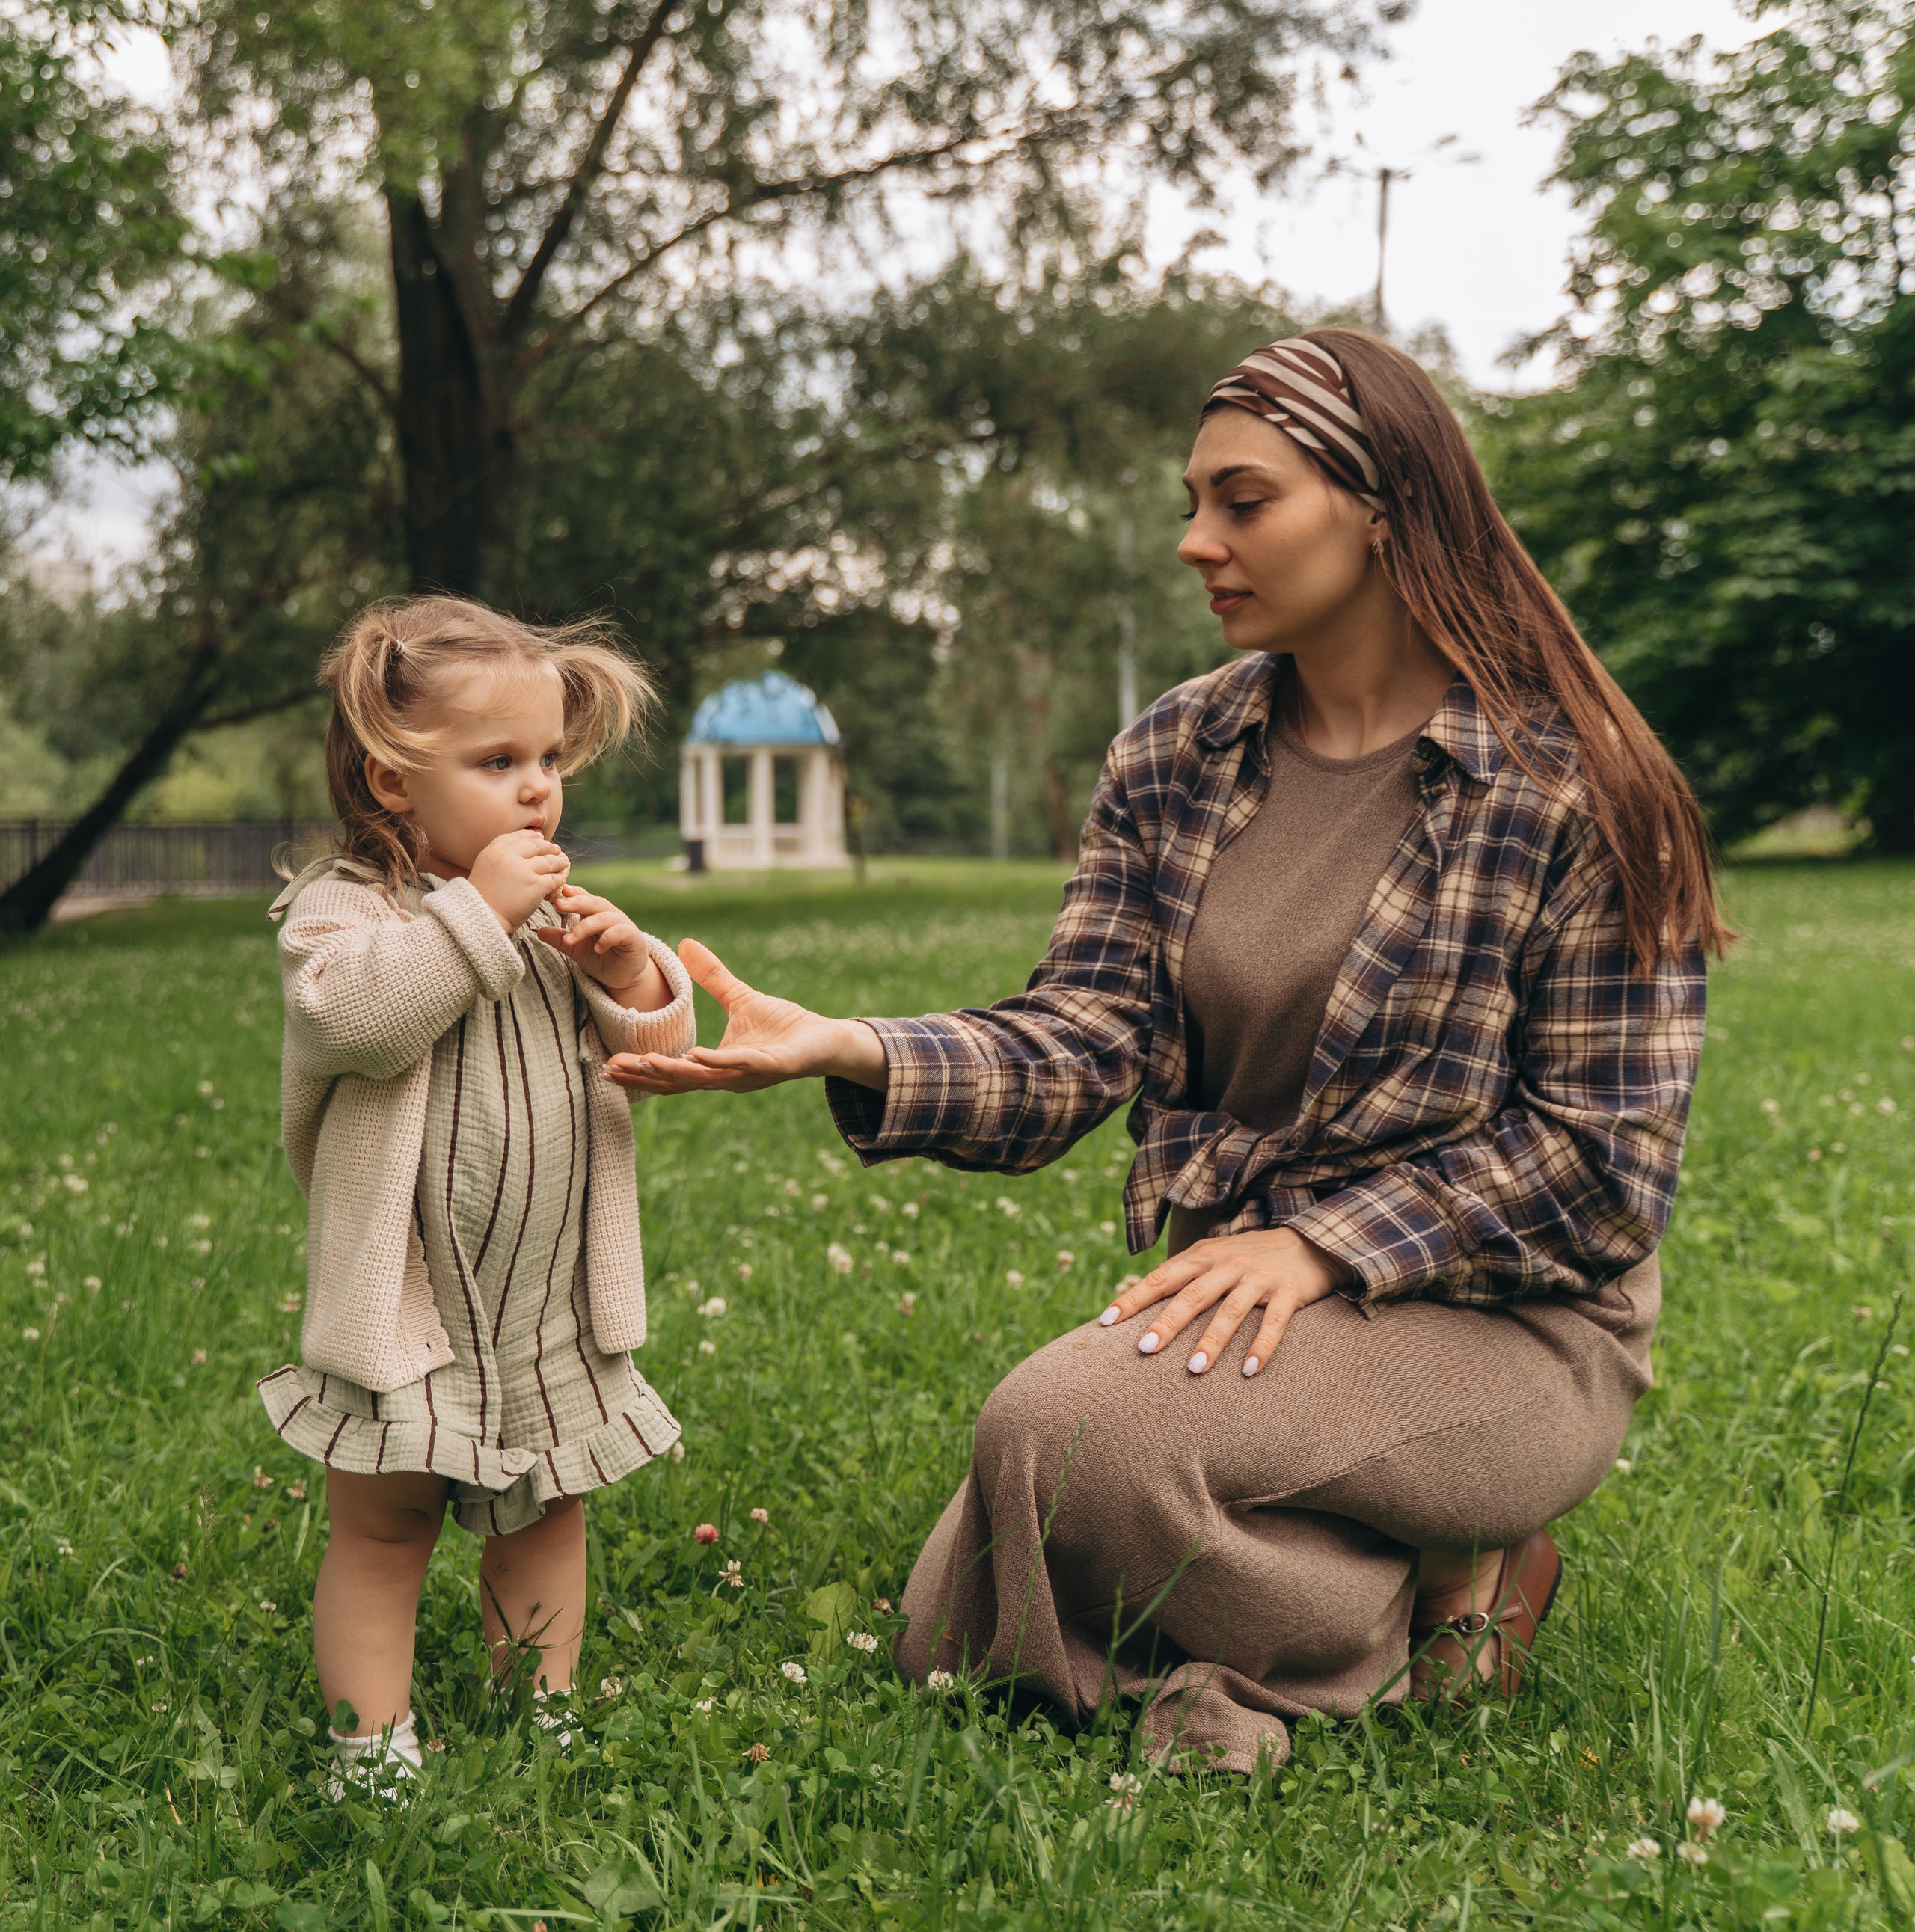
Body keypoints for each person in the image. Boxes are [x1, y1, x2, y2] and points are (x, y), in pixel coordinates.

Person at [615, 330, 1726, 1773]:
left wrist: (1323, 1245)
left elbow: (1601, 1166)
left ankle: (1439, 1573)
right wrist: (853, 1047)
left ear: (1383, 508)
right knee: (965, 1596)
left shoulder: (1579, 785)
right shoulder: (1176, 754)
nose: (1198, 540)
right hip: (1239, 1290)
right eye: (1193, 502)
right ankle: (1437, 1577)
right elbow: (1088, 1036)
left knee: (1056, 1448)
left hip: (1510, 1316)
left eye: (1242, 500)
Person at [259, 596, 693, 1794]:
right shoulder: (343, 914)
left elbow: (652, 1055)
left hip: (546, 1302)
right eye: (498, 762)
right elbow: (355, 1015)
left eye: (549, 759)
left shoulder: (552, 916)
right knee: (383, 1529)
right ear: (395, 782)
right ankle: (374, 1746)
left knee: (549, 1515)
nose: (538, 788)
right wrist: (481, 911)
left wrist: (626, 972)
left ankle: (537, 1711)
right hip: (404, 1315)